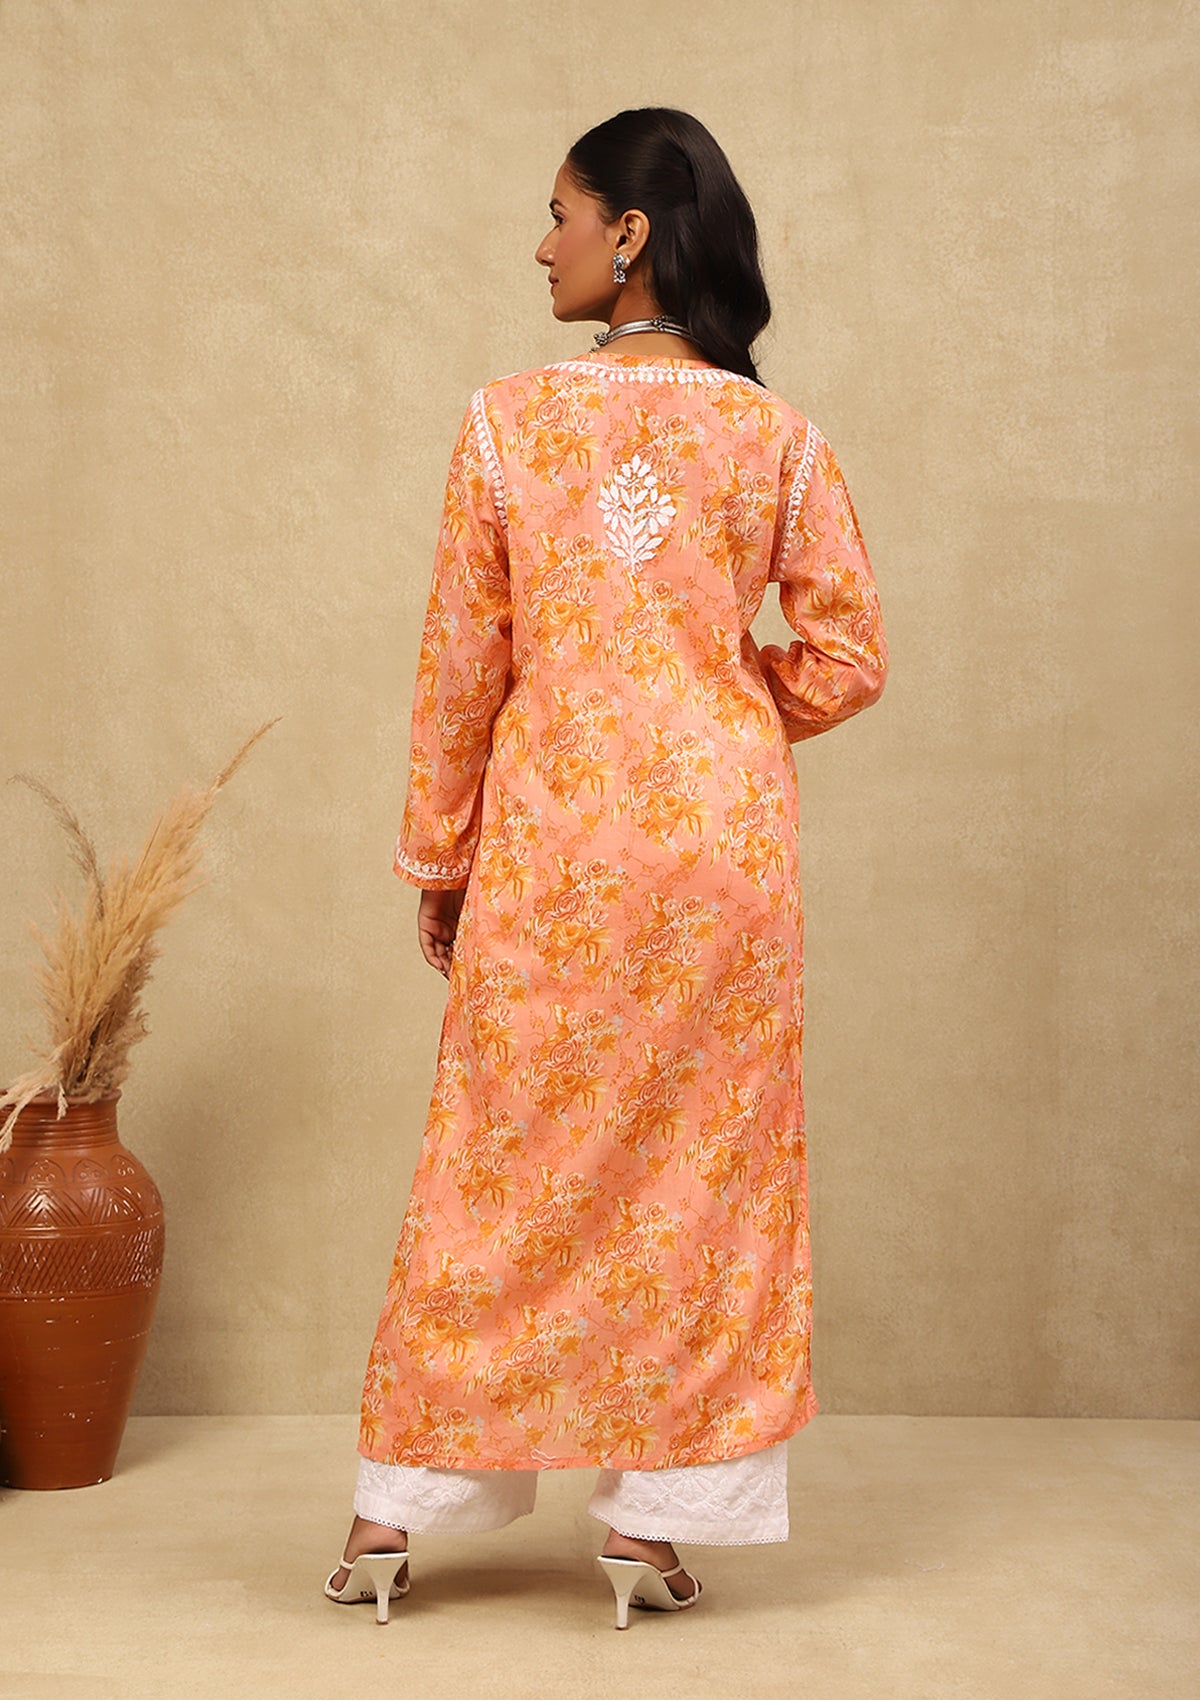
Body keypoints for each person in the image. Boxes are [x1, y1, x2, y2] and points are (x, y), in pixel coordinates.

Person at [324, 105, 888, 1629]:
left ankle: (396, 1513)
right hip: (719, 849)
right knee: (705, 1178)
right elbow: (847, 656)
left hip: (554, 845)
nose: (542, 245)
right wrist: (712, 701)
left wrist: (441, 855)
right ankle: (653, 1527)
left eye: (562, 214)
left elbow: (462, 667)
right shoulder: (776, 436)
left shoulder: (508, 424)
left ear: (629, 233)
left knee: (499, 1164)